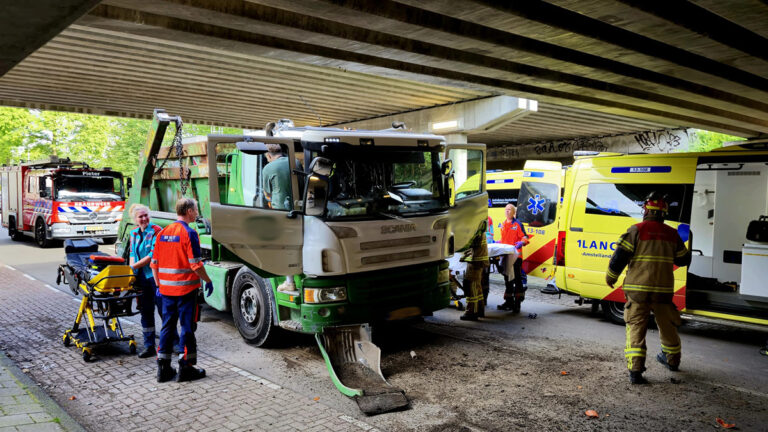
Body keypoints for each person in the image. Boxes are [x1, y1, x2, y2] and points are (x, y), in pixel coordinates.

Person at [605, 192, 691, 384]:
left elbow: (619, 257)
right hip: (663, 292)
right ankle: (673, 361)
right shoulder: (671, 234)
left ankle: (636, 372)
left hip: (638, 292)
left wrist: (610, 277)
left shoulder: (636, 230)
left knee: (636, 327)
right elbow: (684, 259)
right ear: (664, 214)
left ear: (645, 211)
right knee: (667, 326)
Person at [151, 198, 213, 383]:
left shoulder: (163, 232)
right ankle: (186, 368)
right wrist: (207, 280)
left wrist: (159, 286)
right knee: (187, 327)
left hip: (166, 291)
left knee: (167, 327)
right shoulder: (190, 233)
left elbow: (154, 264)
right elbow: (195, 264)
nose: (196, 213)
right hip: (186, 291)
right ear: (188, 211)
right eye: (195, 210)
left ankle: (163, 370)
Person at [128, 204, 164, 358]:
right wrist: (132, 270)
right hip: (140, 278)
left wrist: (133, 266)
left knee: (164, 311)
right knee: (145, 311)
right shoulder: (133, 233)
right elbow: (131, 253)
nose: (143, 219)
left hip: (155, 277)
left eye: (145, 215)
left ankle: (173, 343)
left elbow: (153, 255)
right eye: (140, 217)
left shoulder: (157, 231)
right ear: (135, 219)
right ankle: (149, 346)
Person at [498, 203, 529, 312]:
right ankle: (508, 302)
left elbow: (525, 237)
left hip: (516, 257)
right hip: (506, 257)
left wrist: (522, 242)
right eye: (506, 209)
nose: (507, 211)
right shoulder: (503, 224)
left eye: (509, 209)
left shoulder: (518, 224)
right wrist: (498, 242)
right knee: (507, 280)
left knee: (517, 280)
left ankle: (517, 304)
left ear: (514, 212)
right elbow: (504, 240)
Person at [460, 223, 489, 321]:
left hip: (475, 260)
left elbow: (467, 243)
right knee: (477, 286)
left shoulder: (474, 226)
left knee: (471, 286)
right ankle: (480, 310)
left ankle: (471, 312)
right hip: (479, 260)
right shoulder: (480, 224)